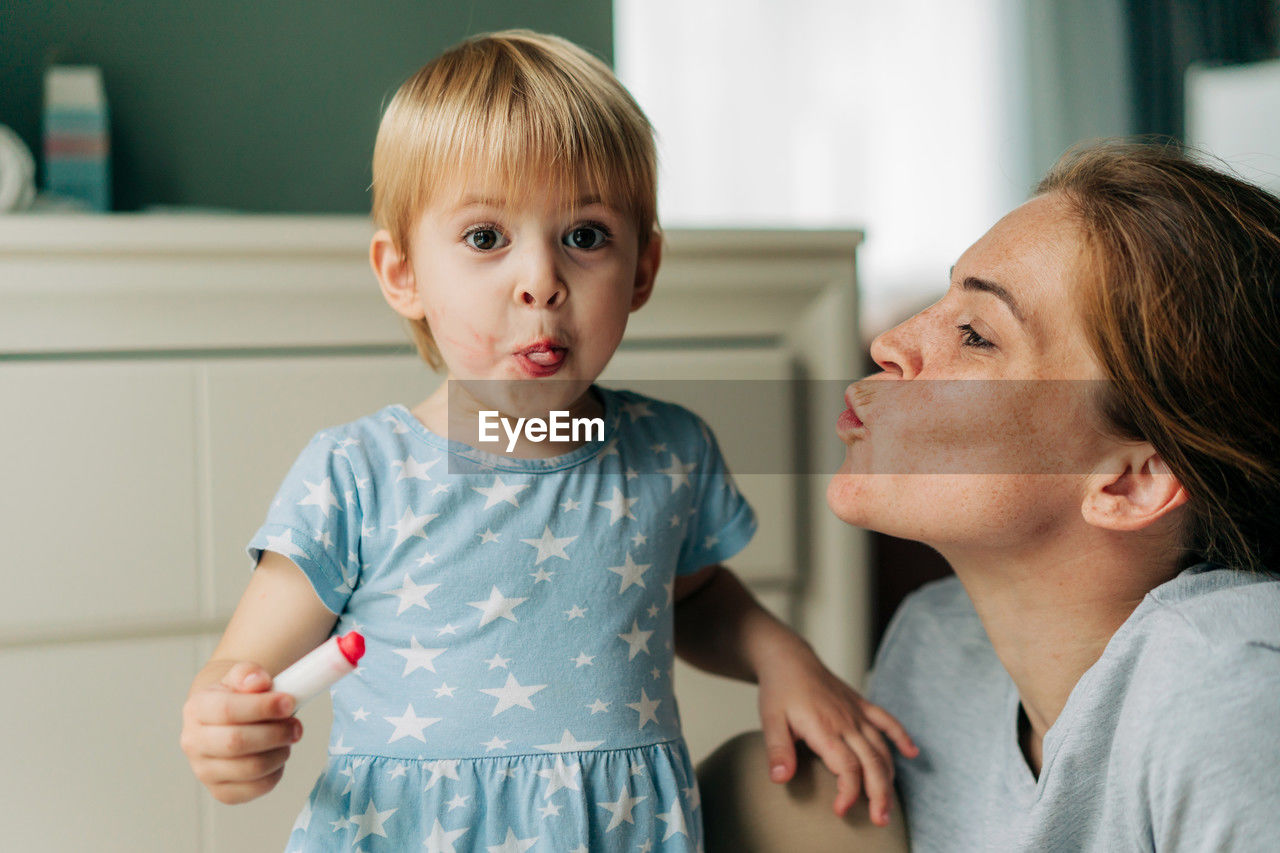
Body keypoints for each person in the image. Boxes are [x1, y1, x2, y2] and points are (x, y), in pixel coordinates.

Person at [179, 30, 916, 851]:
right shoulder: (357, 475)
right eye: (486, 238)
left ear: (643, 269)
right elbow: (241, 667)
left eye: (586, 235)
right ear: (403, 274)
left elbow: (697, 593)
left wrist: (783, 656)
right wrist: (226, 722)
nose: (541, 280)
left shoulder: (667, 450)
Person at [709, 140, 1279, 851]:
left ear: (1132, 482)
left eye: (976, 335)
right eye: (940, 302)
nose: (890, 343)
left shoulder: (1229, 691)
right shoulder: (937, 645)